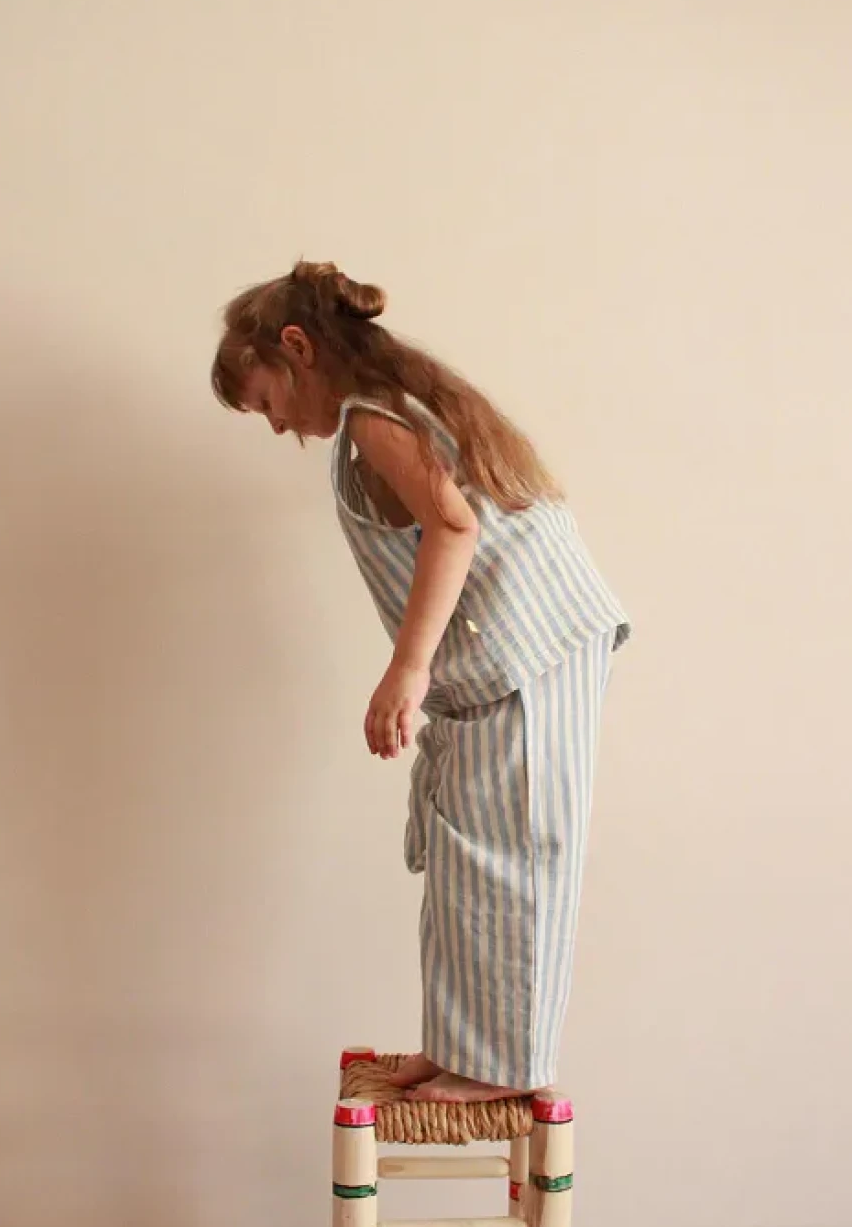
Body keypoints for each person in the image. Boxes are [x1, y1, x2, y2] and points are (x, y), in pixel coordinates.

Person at [212, 260, 629, 1103]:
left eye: (267, 401)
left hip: (534, 654)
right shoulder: (380, 411)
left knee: (515, 855)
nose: (278, 425)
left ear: (297, 349)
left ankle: (502, 1067)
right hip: (502, 667)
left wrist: (406, 672)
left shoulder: (376, 417)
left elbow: (453, 524)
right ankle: (461, 1046)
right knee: (465, 856)